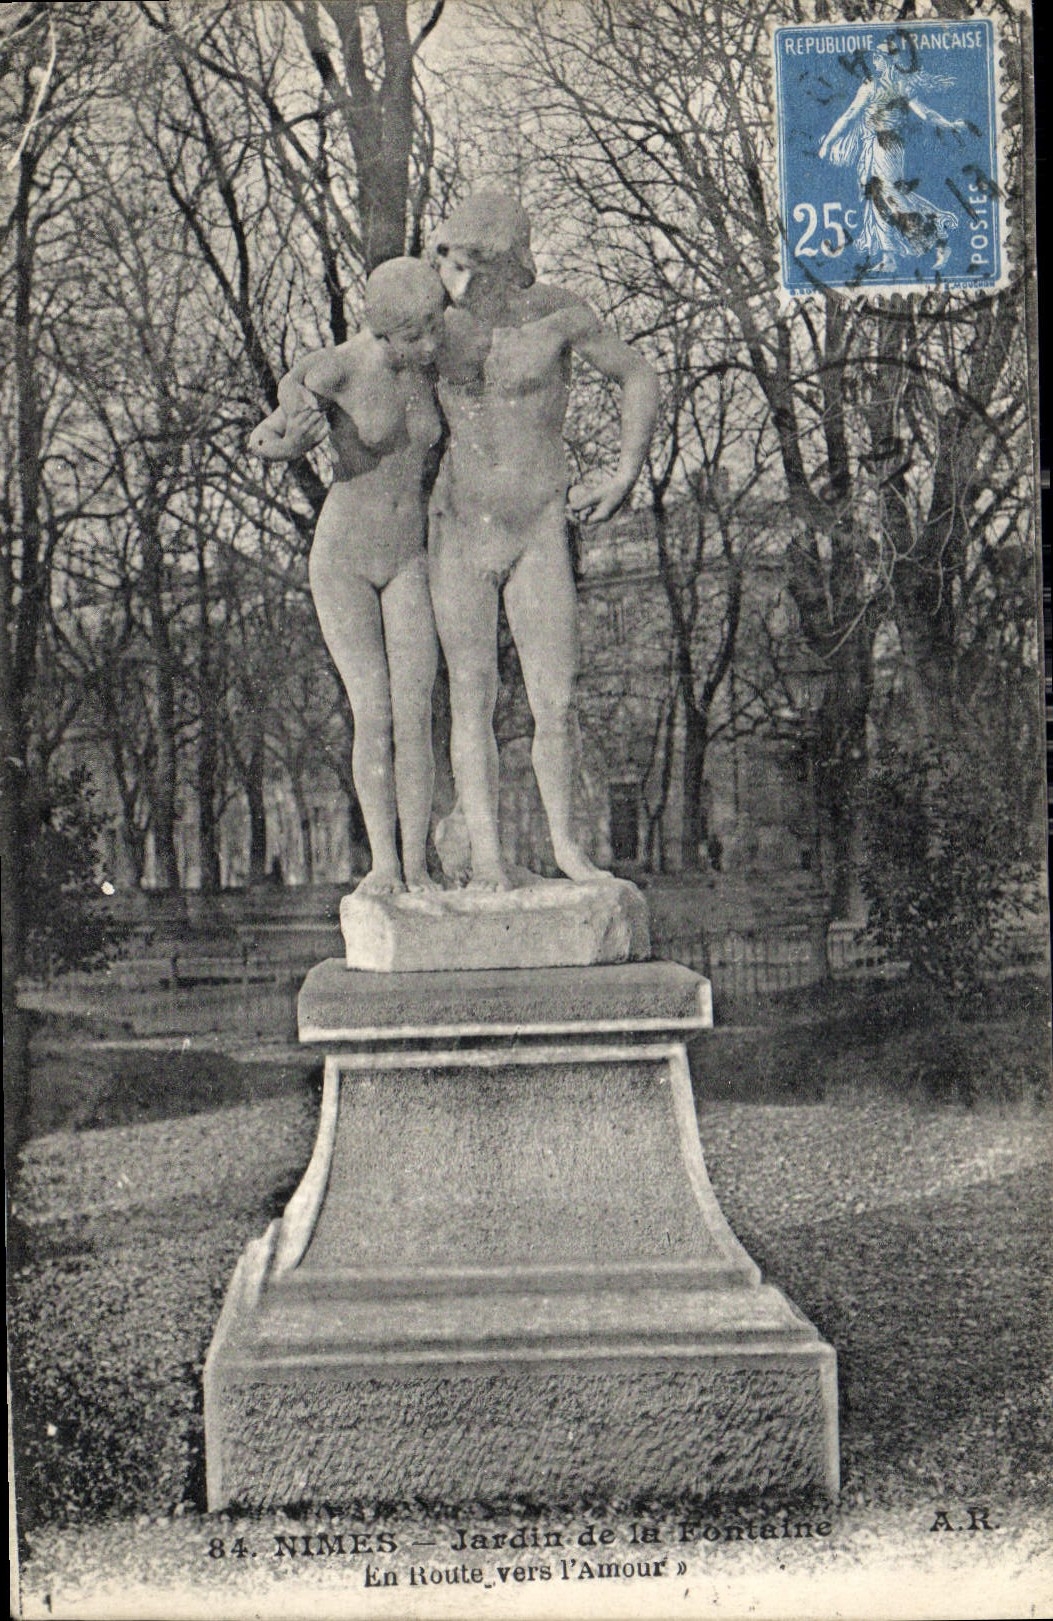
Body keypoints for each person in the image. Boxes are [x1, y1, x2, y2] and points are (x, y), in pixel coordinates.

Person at [426, 190, 659, 890]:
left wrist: (624, 469)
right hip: (459, 526)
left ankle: (566, 847)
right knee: (471, 695)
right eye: (447, 263)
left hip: (534, 524)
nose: (457, 283)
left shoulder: (558, 313)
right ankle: (488, 859)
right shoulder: (432, 323)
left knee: (553, 699)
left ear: (510, 265)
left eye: (473, 267)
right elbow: (359, 370)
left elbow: (636, 373)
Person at [249, 257, 446, 894]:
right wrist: (289, 440)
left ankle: (417, 864)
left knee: (417, 713)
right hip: (346, 560)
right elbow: (272, 427)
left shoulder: (428, 368)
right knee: (376, 713)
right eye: (416, 334)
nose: (430, 343)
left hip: (410, 555)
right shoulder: (340, 365)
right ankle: (384, 865)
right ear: (381, 331)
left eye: (432, 328)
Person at [818, 35, 968, 273]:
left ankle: (938, 237)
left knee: (891, 196)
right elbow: (850, 116)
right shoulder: (884, 84)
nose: (874, 62)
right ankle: (889, 258)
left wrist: (950, 124)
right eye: (875, 57)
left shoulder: (888, 85)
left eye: (878, 58)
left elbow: (925, 114)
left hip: (887, 147)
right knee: (879, 198)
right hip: (880, 146)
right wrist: (828, 142)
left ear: (887, 60)